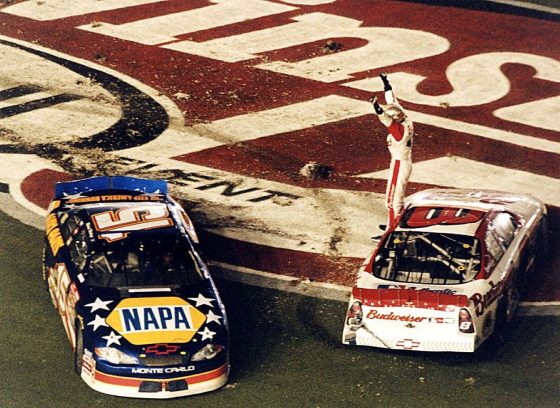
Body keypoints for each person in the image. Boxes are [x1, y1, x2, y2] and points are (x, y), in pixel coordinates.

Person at [370, 73, 414, 229]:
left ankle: (391, 231)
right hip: (403, 161)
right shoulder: (405, 119)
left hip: (399, 163)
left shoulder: (399, 131)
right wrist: (386, 83)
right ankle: (392, 224)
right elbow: (393, 102)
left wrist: (377, 108)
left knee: (392, 201)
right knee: (396, 199)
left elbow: (386, 119)